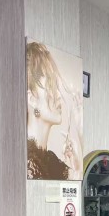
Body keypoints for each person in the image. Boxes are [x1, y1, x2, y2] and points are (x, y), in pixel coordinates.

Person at [26, 42, 83, 180]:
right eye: (50, 85)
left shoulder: (50, 161)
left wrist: (77, 169)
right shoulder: (28, 164)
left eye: (57, 86)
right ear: (32, 99)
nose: (58, 95)